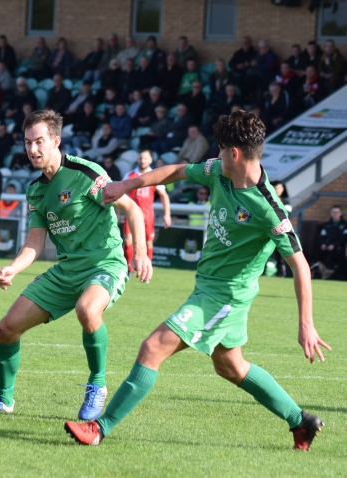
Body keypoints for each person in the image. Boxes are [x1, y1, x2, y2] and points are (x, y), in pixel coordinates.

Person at [65, 110, 331, 451]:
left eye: (221, 149)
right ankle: (301, 422)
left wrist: (306, 324)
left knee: (152, 348)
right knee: (230, 366)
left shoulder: (268, 208)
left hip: (223, 297)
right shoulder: (220, 172)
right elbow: (177, 171)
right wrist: (129, 183)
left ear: (234, 153)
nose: (216, 155)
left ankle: (99, 428)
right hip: (210, 287)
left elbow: (301, 265)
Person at [0, 109, 152, 420]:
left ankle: (97, 386)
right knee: (6, 328)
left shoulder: (85, 173)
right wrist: (13, 268)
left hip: (105, 264)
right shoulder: (36, 190)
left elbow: (132, 209)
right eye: (28, 142)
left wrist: (140, 252)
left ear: (56, 141)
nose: (32, 149)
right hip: (66, 271)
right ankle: (3, 399)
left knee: (87, 309)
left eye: (39, 141)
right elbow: (35, 243)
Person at [121, 150, 171, 273]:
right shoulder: (130, 175)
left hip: (147, 214)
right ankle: (130, 269)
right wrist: (117, 213)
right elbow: (121, 193)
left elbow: (164, 195)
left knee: (148, 243)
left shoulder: (155, 174)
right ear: (137, 159)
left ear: (150, 160)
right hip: (131, 213)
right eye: (140, 158)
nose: (142, 161)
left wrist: (167, 214)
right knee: (128, 240)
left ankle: (146, 270)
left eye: (145, 158)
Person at [314, 205, 347, 279]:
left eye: (337, 212)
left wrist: (334, 245)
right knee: (318, 253)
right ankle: (318, 273)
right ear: (331, 213)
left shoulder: (345, 225)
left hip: (339, 248)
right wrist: (323, 244)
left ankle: (341, 276)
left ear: (340, 213)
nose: (335, 214)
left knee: (340, 254)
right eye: (333, 212)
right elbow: (323, 236)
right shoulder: (327, 225)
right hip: (328, 247)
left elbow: (344, 239)